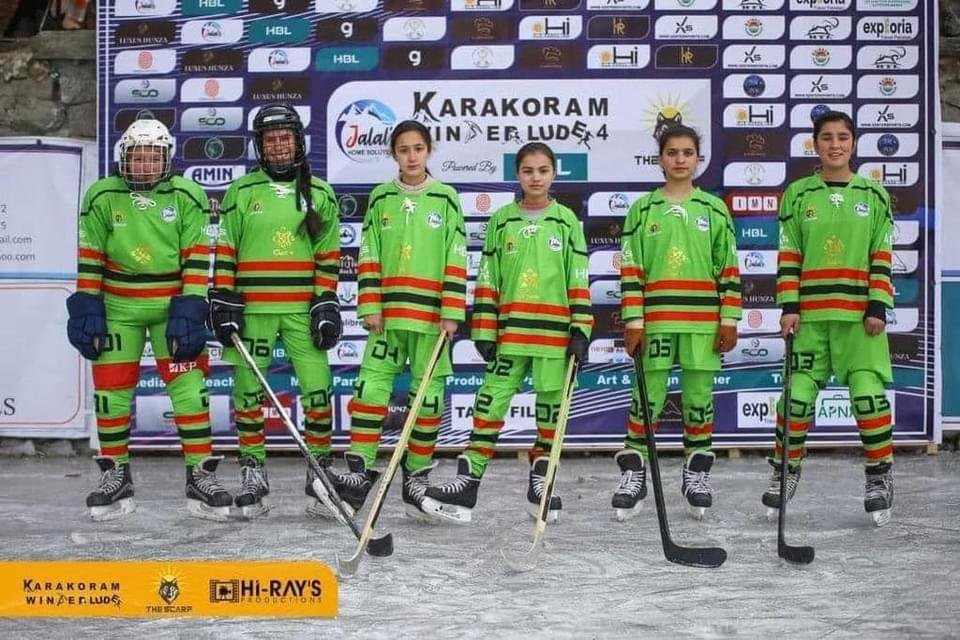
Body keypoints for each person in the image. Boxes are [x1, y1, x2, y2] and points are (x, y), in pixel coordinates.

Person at [68, 118, 233, 521]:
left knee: (191, 391)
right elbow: (91, 257)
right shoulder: (102, 195)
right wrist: (87, 306)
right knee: (110, 395)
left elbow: (196, 259)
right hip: (119, 306)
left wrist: (191, 310)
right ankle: (115, 475)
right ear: (123, 157)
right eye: (137, 157)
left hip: (170, 305)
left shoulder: (188, 195)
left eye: (152, 157)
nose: (144, 165)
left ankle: (200, 475)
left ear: (167, 159)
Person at [421, 142, 592, 525]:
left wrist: (581, 330)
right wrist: (483, 328)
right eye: (528, 170)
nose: (536, 177)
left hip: (554, 337)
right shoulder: (501, 221)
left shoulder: (566, 221)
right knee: (489, 404)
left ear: (553, 174)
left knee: (550, 413)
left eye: (543, 170)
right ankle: (469, 483)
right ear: (518, 174)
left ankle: (541, 483)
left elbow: (579, 279)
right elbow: (487, 279)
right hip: (511, 333)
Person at [208, 104, 341, 518]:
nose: (279, 145)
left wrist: (326, 300)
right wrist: (224, 298)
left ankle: (319, 474)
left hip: (300, 310)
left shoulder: (319, 191)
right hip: (254, 310)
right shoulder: (242, 192)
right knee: (248, 394)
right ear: (259, 146)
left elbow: (329, 255)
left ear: (298, 141)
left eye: (286, 137)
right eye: (270, 139)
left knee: (319, 392)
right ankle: (253, 472)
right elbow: (226, 249)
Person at [762, 111, 895, 526]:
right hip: (811, 320)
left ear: (853, 143)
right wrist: (788, 307)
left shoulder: (874, 195)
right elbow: (789, 256)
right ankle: (786, 471)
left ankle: (879, 477)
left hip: (859, 319)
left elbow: (882, 253)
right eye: (826, 138)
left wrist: (877, 305)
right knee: (796, 398)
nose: (834, 145)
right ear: (814, 144)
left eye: (842, 137)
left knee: (867, 398)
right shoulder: (798, 195)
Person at [332, 120, 467, 521]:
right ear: (394, 154)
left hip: (430, 320)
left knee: (428, 400)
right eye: (404, 149)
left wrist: (451, 312)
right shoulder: (379, 198)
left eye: (418, 148)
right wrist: (369, 303)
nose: (411, 156)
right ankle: (359, 474)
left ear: (429, 151)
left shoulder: (446, 198)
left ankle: (416, 480)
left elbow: (456, 255)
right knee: (370, 391)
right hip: (386, 318)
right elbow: (368, 251)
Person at [613, 124, 742, 521]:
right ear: (660, 159)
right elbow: (631, 270)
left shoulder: (715, 209)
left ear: (697, 158)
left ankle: (696, 473)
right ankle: (634, 475)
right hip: (656, 322)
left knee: (698, 401)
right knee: (647, 399)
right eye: (672, 152)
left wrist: (730, 318)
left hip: (703, 323)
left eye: (688, 152)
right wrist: (634, 320)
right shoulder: (642, 210)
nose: (680, 159)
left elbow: (730, 267)